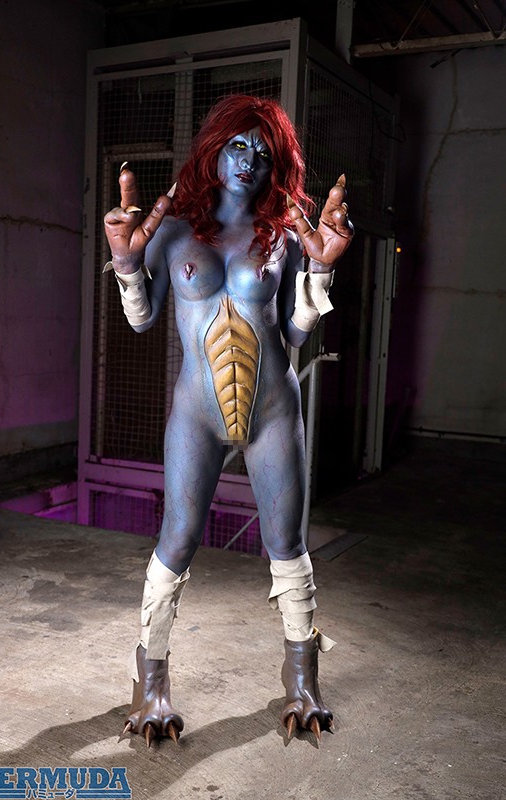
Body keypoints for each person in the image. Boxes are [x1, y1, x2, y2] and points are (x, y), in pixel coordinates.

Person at [103, 93, 354, 745]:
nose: (248, 160)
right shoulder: (173, 231)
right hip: (196, 412)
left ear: (278, 166)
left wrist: (320, 271)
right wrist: (127, 264)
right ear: (214, 150)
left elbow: (295, 334)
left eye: (263, 153)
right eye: (237, 146)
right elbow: (141, 320)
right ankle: (150, 685)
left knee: (286, 542)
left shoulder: (284, 235)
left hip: (273, 410)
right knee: (178, 535)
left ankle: (302, 680)